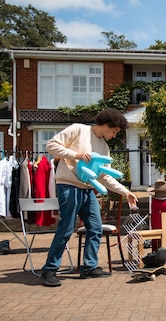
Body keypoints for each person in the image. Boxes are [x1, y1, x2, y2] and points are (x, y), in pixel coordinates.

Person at [40, 108, 138, 287]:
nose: (115, 135)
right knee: (66, 228)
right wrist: (75, 155)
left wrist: (125, 191)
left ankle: (89, 267)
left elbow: (104, 176)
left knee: (95, 227)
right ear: (107, 125)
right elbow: (50, 145)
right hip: (68, 186)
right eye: (114, 131)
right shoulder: (78, 129)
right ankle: (49, 270)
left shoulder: (104, 147)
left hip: (87, 190)